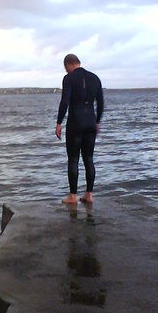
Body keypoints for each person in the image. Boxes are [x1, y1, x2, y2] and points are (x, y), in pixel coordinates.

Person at [55, 54, 104, 204]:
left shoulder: (68, 78)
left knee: (73, 159)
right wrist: (97, 121)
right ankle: (89, 195)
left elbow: (65, 102)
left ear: (67, 64)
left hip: (75, 122)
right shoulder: (95, 78)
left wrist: (58, 123)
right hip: (90, 121)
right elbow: (101, 103)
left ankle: (73, 196)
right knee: (89, 158)